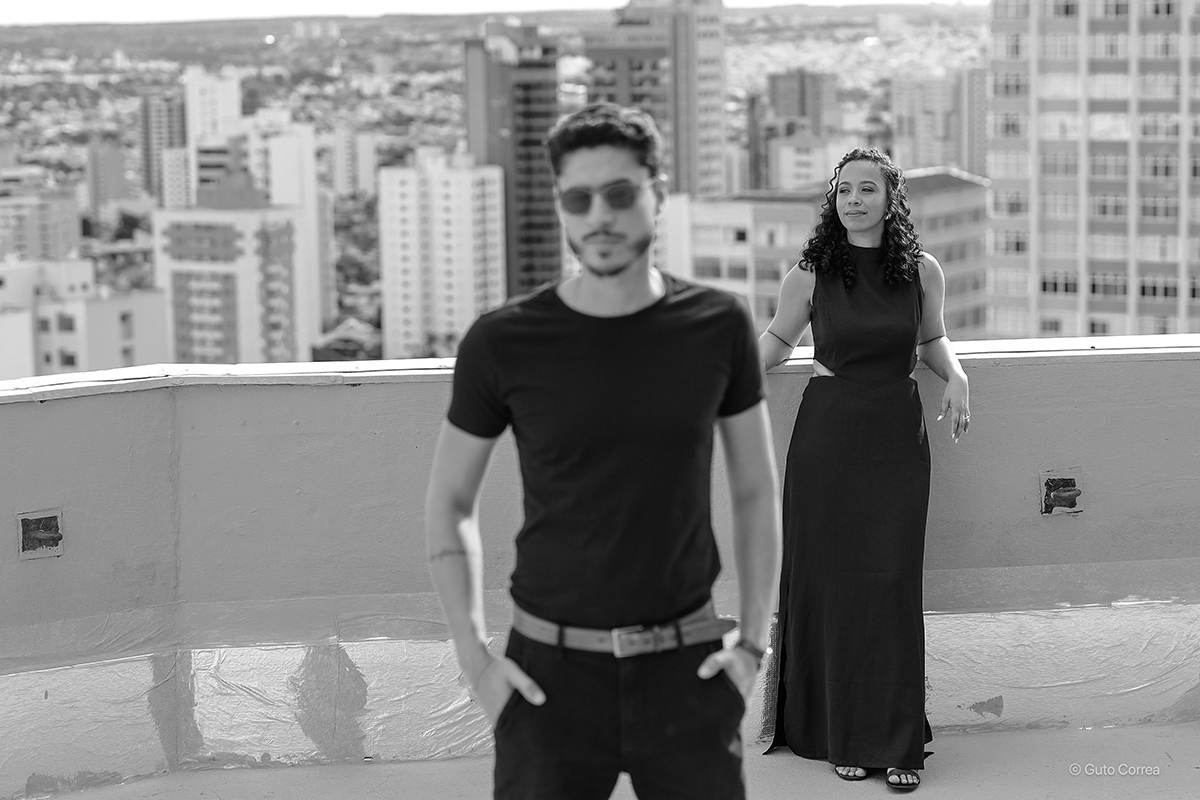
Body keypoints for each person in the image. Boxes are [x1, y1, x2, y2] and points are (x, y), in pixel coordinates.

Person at [424, 102, 783, 800]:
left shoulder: (718, 324)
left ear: (657, 193)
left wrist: (753, 647)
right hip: (546, 680)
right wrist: (475, 663)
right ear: (560, 204)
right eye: (578, 199)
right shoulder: (503, 341)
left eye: (620, 194)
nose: (599, 216)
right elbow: (450, 502)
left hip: (687, 670)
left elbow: (755, 491)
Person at [758, 148, 971, 793]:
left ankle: (896, 738)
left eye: (867, 189)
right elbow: (778, 341)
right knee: (832, 584)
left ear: (890, 198)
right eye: (844, 189)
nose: (853, 199)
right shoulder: (810, 273)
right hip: (827, 441)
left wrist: (956, 375)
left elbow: (930, 340)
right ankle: (841, 733)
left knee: (891, 583)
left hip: (896, 438)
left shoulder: (922, 271)